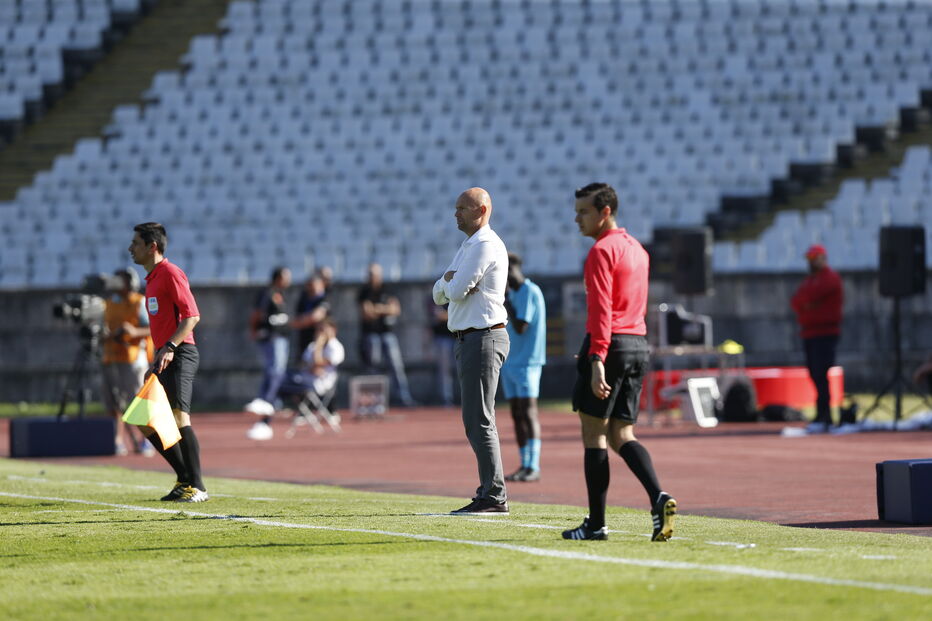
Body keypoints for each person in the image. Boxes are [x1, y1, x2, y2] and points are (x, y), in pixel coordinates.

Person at [562, 183, 676, 542]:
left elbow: (601, 310)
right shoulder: (638, 250)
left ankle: (596, 524)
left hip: (610, 345)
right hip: (638, 345)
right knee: (622, 433)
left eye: (584, 211)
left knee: (593, 433)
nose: (577, 218)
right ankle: (659, 497)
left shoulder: (601, 251)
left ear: (605, 212)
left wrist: (596, 356)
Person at [432, 187, 511, 514]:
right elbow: (441, 292)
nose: (456, 213)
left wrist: (450, 284)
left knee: (479, 418)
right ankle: (491, 492)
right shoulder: (469, 245)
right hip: (471, 337)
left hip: (483, 336)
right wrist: (450, 285)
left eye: (462, 208)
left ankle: (493, 495)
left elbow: (455, 287)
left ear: (481, 210)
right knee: (476, 418)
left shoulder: (484, 245)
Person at [128, 222, 207, 502]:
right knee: (142, 418)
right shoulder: (151, 279)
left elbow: (192, 316)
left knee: (178, 417)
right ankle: (184, 478)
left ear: (152, 247)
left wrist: (171, 346)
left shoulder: (170, 273)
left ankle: (197, 487)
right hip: (164, 355)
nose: (130, 249)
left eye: (135, 244)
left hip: (181, 352)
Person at [247, 317, 345, 440]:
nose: (321, 332)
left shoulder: (335, 347)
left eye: (324, 330)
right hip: (303, 378)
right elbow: (304, 365)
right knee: (274, 377)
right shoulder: (312, 346)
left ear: (333, 331)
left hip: (318, 384)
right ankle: (264, 420)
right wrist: (313, 364)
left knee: (276, 380)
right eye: (319, 329)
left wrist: (319, 346)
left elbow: (318, 363)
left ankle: (265, 413)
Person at [502, 252, 547, 482]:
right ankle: (523, 463)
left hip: (528, 362)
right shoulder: (513, 294)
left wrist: (506, 302)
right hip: (510, 361)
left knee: (529, 412)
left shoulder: (529, 291)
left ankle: (533, 465)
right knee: (516, 413)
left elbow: (521, 326)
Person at [101, 267, 154, 456]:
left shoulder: (139, 303)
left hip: (133, 358)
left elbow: (151, 329)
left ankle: (145, 441)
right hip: (111, 356)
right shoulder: (107, 304)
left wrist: (132, 332)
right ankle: (116, 441)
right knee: (113, 403)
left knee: (137, 401)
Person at [790, 244, 843, 430]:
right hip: (810, 332)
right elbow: (798, 301)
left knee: (821, 373)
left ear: (822, 258)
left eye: (814, 258)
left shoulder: (830, 278)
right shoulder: (811, 280)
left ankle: (826, 414)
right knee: (814, 373)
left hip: (825, 333)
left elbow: (808, 297)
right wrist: (808, 304)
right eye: (810, 259)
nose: (811, 262)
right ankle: (821, 413)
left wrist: (808, 304)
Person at [358, 262, 416, 407]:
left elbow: (395, 310)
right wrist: (384, 309)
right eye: (370, 275)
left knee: (396, 366)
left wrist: (376, 309)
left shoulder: (387, 289)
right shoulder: (364, 291)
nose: (372, 278)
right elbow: (366, 313)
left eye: (374, 275)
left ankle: (403, 398)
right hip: (370, 334)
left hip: (387, 333)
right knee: (373, 367)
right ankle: (375, 401)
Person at [243, 267, 292, 416]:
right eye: (286, 277)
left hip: (281, 336)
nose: (289, 280)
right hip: (271, 336)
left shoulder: (281, 293)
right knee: (274, 369)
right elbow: (257, 313)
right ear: (278, 278)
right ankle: (266, 400)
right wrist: (253, 330)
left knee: (277, 370)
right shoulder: (267, 293)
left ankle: (272, 401)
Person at [292, 273, 330, 363]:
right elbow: (296, 319)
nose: (312, 288)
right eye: (310, 285)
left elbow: (315, 317)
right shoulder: (303, 299)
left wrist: (301, 322)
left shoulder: (324, 299)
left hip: (320, 340)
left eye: (314, 285)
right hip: (304, 338)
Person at [427, 295, 456, 406]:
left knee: (462, 369)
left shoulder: (455, 292)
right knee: (444, 371)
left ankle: (465, 397)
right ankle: (446, 398)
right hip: (443, 338)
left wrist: (449, 315)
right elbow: (438, 315)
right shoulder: (435, 296)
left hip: (457, 337)